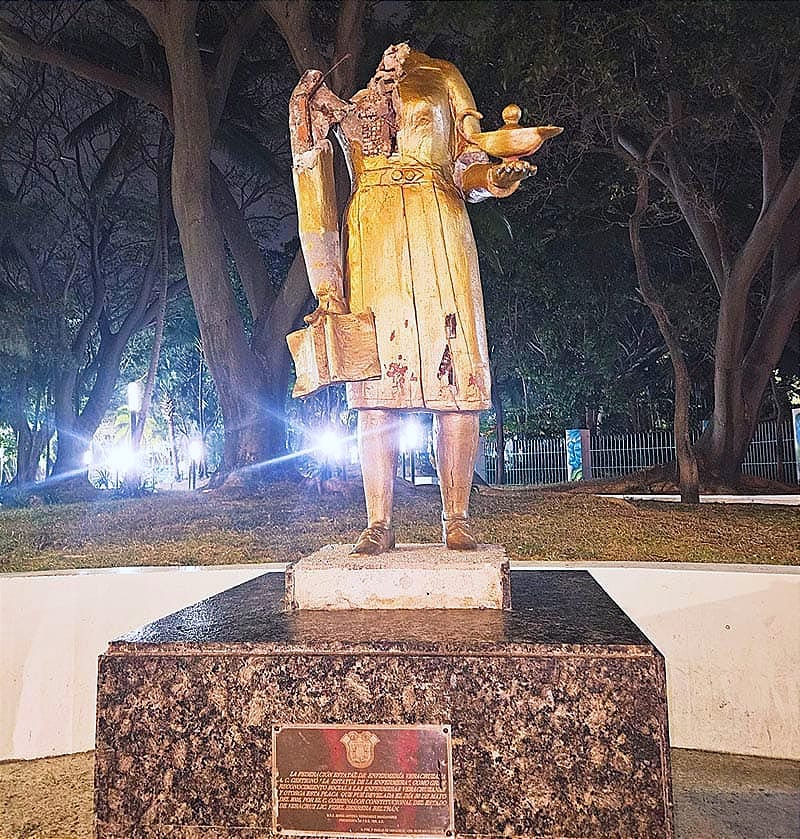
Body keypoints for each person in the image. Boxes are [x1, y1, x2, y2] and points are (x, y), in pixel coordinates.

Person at [289, 43, 532, 554]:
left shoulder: (442, 78)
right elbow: (319, 174)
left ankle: (457, 517)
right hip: (372, 233)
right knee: (377, 380)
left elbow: (468, 165)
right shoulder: (357, 104)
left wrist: (495, 177)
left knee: (457, 372)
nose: (391, 57)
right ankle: (378, 521)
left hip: (437, 221)